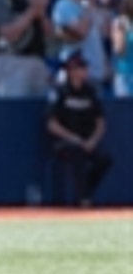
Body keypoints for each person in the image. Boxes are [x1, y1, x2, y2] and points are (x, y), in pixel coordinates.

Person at [45, 52, 113, 207]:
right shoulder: (60, 92)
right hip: (65, 142)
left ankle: (86, 191)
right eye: (77, 68)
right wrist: (72, 138)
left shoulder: (90, 92)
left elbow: (100, 122)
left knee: (105, 159)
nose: (82, 72)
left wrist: (93, 140)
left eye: (83, 68)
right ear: (70, 71)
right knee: (77, 153)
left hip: (87, 141)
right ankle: (82, 199)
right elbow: (51, 124)